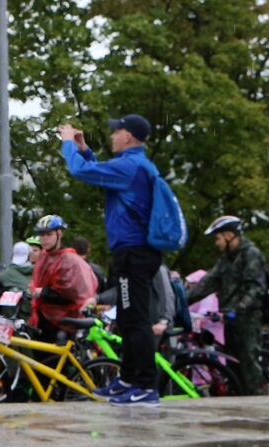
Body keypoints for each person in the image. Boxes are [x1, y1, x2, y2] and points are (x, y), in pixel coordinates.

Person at [58, 114, 162, 404]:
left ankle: (144, 384)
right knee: (128, 318)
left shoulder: (131, 165)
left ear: (127, 136)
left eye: (116, 132)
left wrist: (67, 144)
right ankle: (129, 380)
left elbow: (80, 173)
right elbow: (96, 169)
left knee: (136, 319)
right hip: (131, 251)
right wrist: (84, 150)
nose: (112, 136)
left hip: (135, 252)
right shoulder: (133, 165)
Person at [185, 215, 268, 395]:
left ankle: (258, 406)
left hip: (247, 319)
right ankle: (238, 401)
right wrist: (182, 301)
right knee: (233, 366)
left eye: (218, 237)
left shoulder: (250, 254)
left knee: (248, 366)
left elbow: (255, 288)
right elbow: (208, 283)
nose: (216, 242)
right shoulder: (226, 258)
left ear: (230, 234)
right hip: (230, 320)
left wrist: (238, 308)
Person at [25, 215, 98, 337]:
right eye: (41, 235)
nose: (44, 239)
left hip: (64, 321)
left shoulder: (69, 259)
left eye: (48, 234)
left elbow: (73, 293)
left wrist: (43, 292)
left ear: (59, 233)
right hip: (42, 318)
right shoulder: (44, 256)